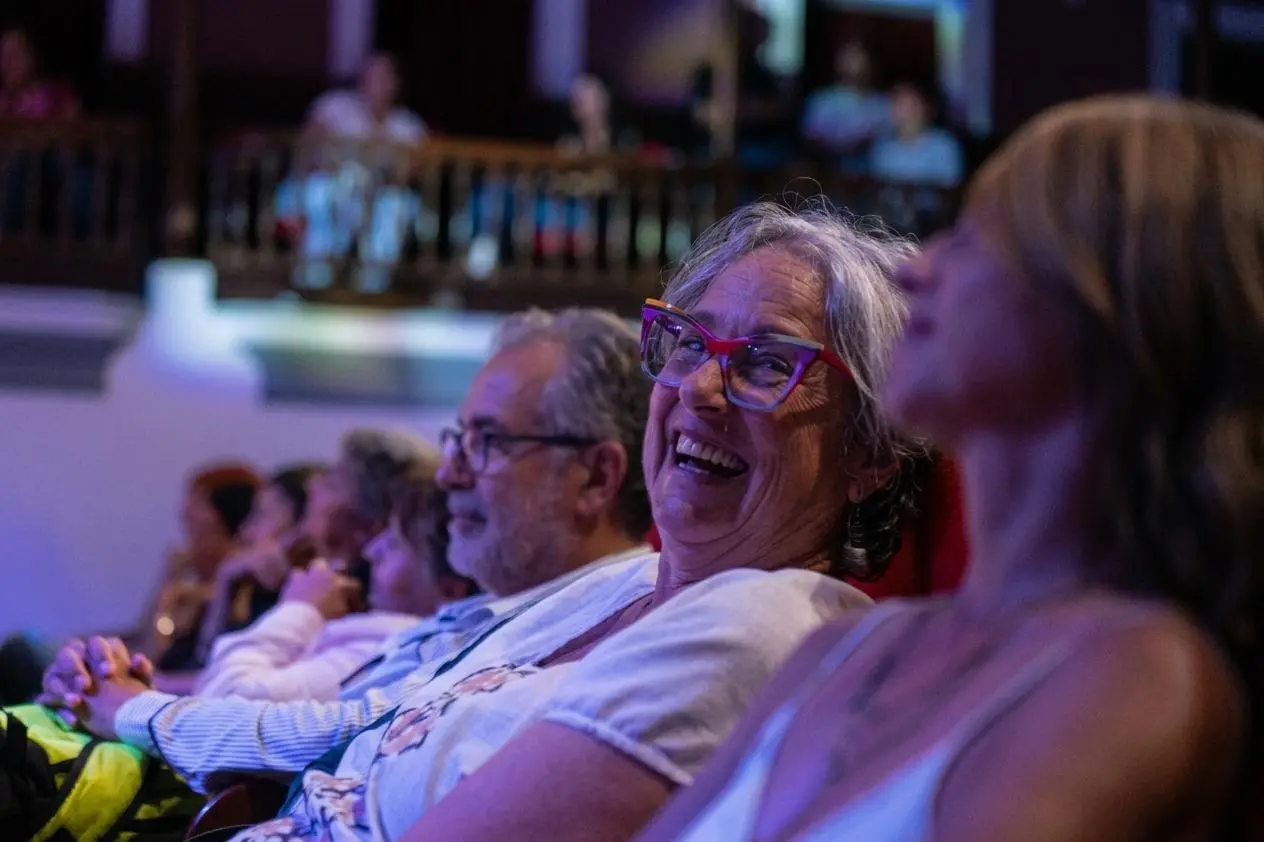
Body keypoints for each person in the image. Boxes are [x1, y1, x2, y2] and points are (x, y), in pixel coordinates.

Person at [47, 204, 922, 841]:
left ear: (873, 448)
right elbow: (370, 720)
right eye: (688, 342)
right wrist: (140, 706)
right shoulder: (621, 585)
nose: (698, 388)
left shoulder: (769, 622)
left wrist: (138, 715)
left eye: (767, 363)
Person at [641, 96, 1264, 842]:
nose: (918, 269)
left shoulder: (1138, 673)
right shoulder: (845, 648)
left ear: (1128, 317)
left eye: (980, 238)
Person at [37, 307, 657, 793]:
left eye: (487, 443)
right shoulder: (496, 611)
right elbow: (315, 719)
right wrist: (123, 689)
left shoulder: (610, 619)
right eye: (457, 441)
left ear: (597, 478)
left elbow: (343, 734)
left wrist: (129, 707)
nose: (449, 476)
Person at [191, 461, 477, 702]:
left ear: (451, 589)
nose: (372, 551)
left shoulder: (387, 650)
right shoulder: (372, 626)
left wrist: (299, 609)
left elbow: (220, 698)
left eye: (394, 544)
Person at [145, 463, 262, 675]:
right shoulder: (191, 572)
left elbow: (158, 656)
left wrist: (168, 599)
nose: (185, 513)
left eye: (197, 503)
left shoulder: (242, 584)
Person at [802, 41, 891, 175]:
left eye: (859, 59)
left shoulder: (882, 103)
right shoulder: (822, 100)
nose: (854, 65)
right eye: (848, 59)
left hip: (873, 174)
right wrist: (841, 147)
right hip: (827, 172)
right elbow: (811, 139)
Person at [305, 52, 425, 144]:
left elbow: (422, 162)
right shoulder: (334, 106)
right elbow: (308, 145)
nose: (373, 84)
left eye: (381, 79)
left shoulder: (408, 124)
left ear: (395, 84)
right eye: (368, 77)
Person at [0, 27, 77, 120]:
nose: (8, 63)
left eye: (15, 54)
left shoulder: (59, 96)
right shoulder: (2, 101)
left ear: (32, 56)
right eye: (3, 55)